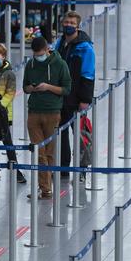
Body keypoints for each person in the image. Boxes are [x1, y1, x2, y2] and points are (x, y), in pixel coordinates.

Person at [23, 37, 71, 199]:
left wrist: (48, 87)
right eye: (36, 54)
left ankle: (47, 186)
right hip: (34, 113)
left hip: (52, 112)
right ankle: (45, 188)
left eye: (41, 54)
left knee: (49, 152)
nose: (38, 56)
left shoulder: (60, 64)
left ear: (47, 49)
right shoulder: (30, 64)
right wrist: (32, 88)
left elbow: (66, 89)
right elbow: (25, 87)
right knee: (39, 152)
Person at [53, 11, 95, 181]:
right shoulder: (60, 43)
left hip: (77, 98)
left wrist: (85, 100)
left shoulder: (85, 47)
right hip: (61, 97)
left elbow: (88, 74)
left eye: (71, 22)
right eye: (66, 22)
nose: (68, 25)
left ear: (77, 25)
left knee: (80, 134)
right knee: (61, 133)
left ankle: (82, 169)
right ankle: (63, 168)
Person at [0, 43, 27, 184]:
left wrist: (0, 104)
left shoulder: (9, 73)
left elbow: (11, 92)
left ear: (4, 56)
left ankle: (15, 169)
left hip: (3, 113)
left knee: (7, 140)